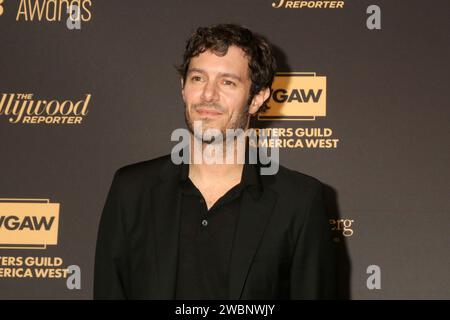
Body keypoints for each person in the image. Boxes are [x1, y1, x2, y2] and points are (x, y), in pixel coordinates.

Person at [94, 23, 336, 299]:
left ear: (257, 98)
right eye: (198, 78)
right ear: (183, 88)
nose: (208, 95)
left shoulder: (298, 202)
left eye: (227, 82)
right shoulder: (132, 191)